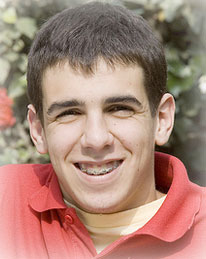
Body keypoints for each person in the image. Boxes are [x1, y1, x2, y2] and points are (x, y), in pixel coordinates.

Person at [0, 2, 205, 258]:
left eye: (119, 109)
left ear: (162, 120)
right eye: (69, 113)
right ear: (38, 130)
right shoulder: (5, 200)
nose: (96, 139)